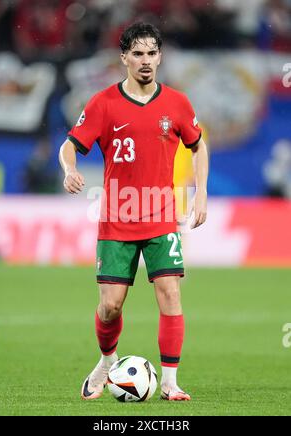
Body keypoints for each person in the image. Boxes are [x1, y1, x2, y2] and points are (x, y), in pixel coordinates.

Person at [59, 22, 208, 401]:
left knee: (170, 293)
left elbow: (198, 145)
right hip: (117, 217)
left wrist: (201, 193)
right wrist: (70, 169)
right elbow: (70, 145)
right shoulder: (103, 103)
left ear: (160, 57)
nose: (145, 61)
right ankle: (107, 361)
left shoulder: (177, 103)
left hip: (160, 216)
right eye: (137, 53)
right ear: (124, 57)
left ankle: (171, 382)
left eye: (152, 53)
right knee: (110, 306)